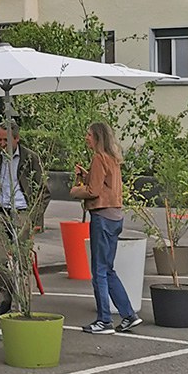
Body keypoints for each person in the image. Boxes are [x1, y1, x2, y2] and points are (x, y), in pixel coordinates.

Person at [71, 121, 142, 334]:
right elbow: (104, 185)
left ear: (98, 138)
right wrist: (87, 174)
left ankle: (104, 320)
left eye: (89, 135)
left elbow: (93, 191)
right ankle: (128, 315)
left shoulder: (98, 158)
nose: (87, 138)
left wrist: (76, 190)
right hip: (115, 217)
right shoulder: (113, 160)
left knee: (99, 270)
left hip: (101, 217)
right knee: (108, 269)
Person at [0, 120, 48, 319]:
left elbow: (43, 192)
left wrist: (34, 218)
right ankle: (9, 298)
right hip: (1, 212)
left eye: (5, 140)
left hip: (22, 212)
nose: (1, 144)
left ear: (16, 139)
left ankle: (22, 306)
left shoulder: (30, 158)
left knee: (22, 261)